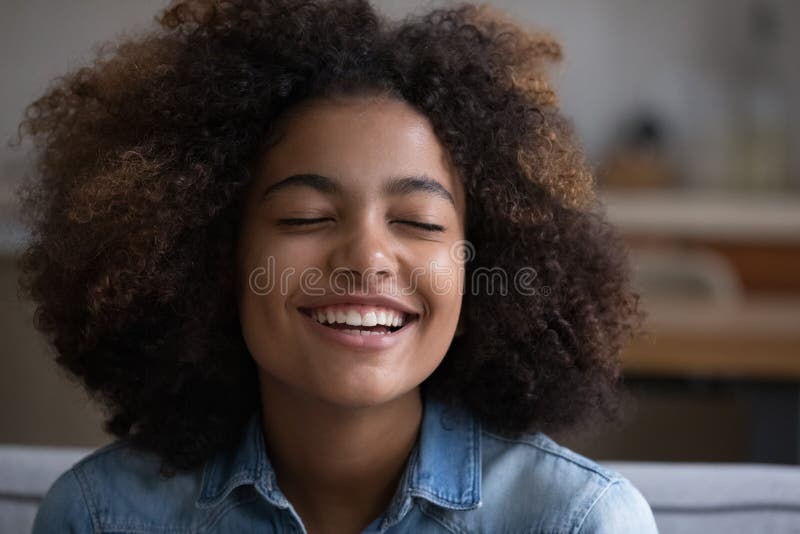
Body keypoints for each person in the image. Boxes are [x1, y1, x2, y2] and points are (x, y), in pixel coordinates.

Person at [17, 0, 658, 532]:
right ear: (214, 255)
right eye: (305, 217)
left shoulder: (577, 522)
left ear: (474, 266)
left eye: (419, 222)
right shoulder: (101, 519)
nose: (367, 258)